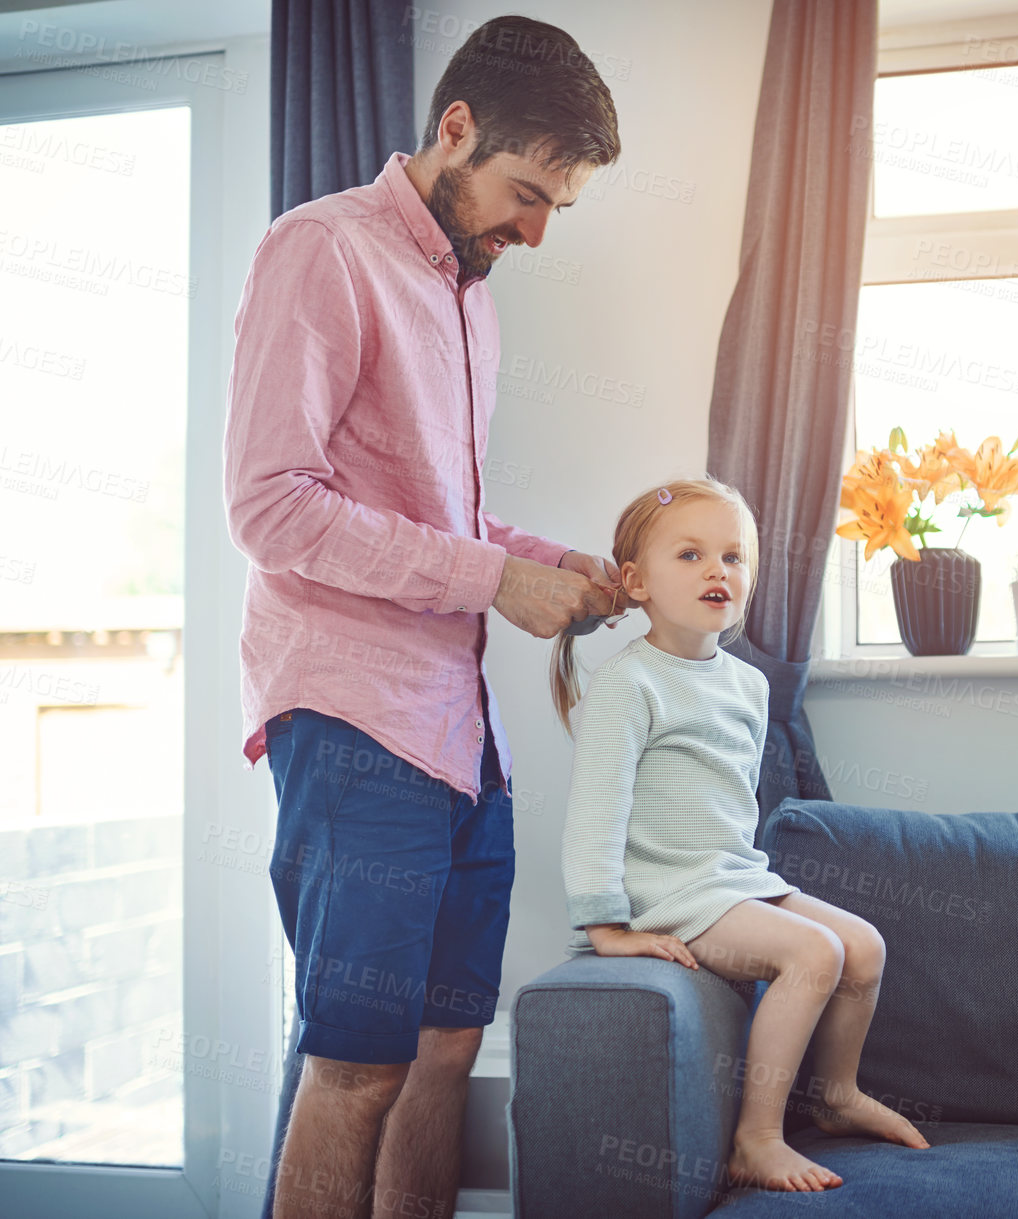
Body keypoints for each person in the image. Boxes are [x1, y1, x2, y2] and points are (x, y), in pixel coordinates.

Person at [222, 17, 622, 1219]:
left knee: (449, 1048)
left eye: (558, 204)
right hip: (354, 722)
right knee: (357, 1063)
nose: (538, 229)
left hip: (460, 733)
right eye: (525, 193)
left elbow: (447, 518)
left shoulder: (468, 291)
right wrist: (499, 583)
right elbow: (272, 507)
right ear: (454, 130)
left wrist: (559, 566)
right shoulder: (321, 252)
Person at [554, 477, 933, 1194]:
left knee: (863, 946)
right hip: (669, 890)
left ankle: (837, 1092)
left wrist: (757, 888)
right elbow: (595, 813)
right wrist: (606, 924)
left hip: (731, 877)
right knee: (813, 954)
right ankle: (756, 1137)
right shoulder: (629, 685)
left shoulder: (747, 685)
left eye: (733, 557)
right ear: (636, 582)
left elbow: (728, 807)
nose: (716, 571)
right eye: (691, 554)